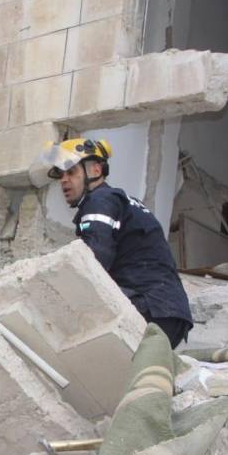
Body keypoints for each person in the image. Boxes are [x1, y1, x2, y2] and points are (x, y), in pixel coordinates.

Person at [37, 138, 193, 347]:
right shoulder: (121, 201)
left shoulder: (100, 200)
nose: (64, 180)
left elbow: (94, 259)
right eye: (60, 175)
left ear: (95, 170)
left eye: (71, 172)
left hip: (148, 307)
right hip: (166, 311)